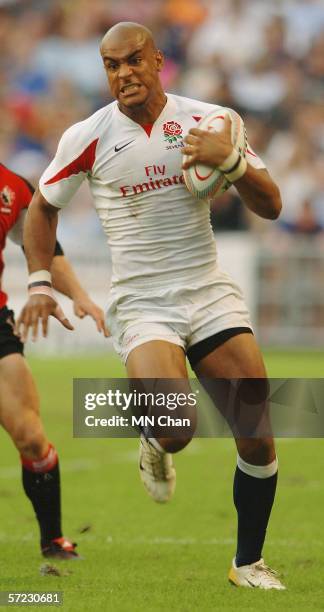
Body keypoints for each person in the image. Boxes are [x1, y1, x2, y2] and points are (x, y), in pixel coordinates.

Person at [17, 22, 285, 589]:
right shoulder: (87, 136)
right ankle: (150, 434)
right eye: (111, 65)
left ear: (159, 60)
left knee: (258, 433)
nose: (123, 74)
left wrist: (232, 163)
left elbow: (272, 204)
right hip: (143, 302)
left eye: (134, 60)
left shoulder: (208, 121)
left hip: (208, 290)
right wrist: (40, 281)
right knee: (175, 430)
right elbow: (41, 209)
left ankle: (248, 564)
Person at [0, 162, 108, 558]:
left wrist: (79, 295)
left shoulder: (11, 188)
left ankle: (52, 539)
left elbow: (42, 247)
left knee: (30, 437)